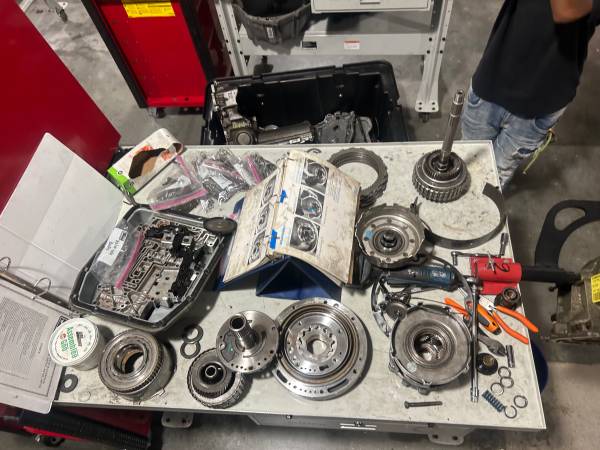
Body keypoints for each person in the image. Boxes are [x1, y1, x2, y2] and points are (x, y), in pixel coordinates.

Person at [461, 0, 600, 188]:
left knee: (495, 176)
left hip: (541, 102)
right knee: (467, 163)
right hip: (493, 83)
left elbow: (565, 10)